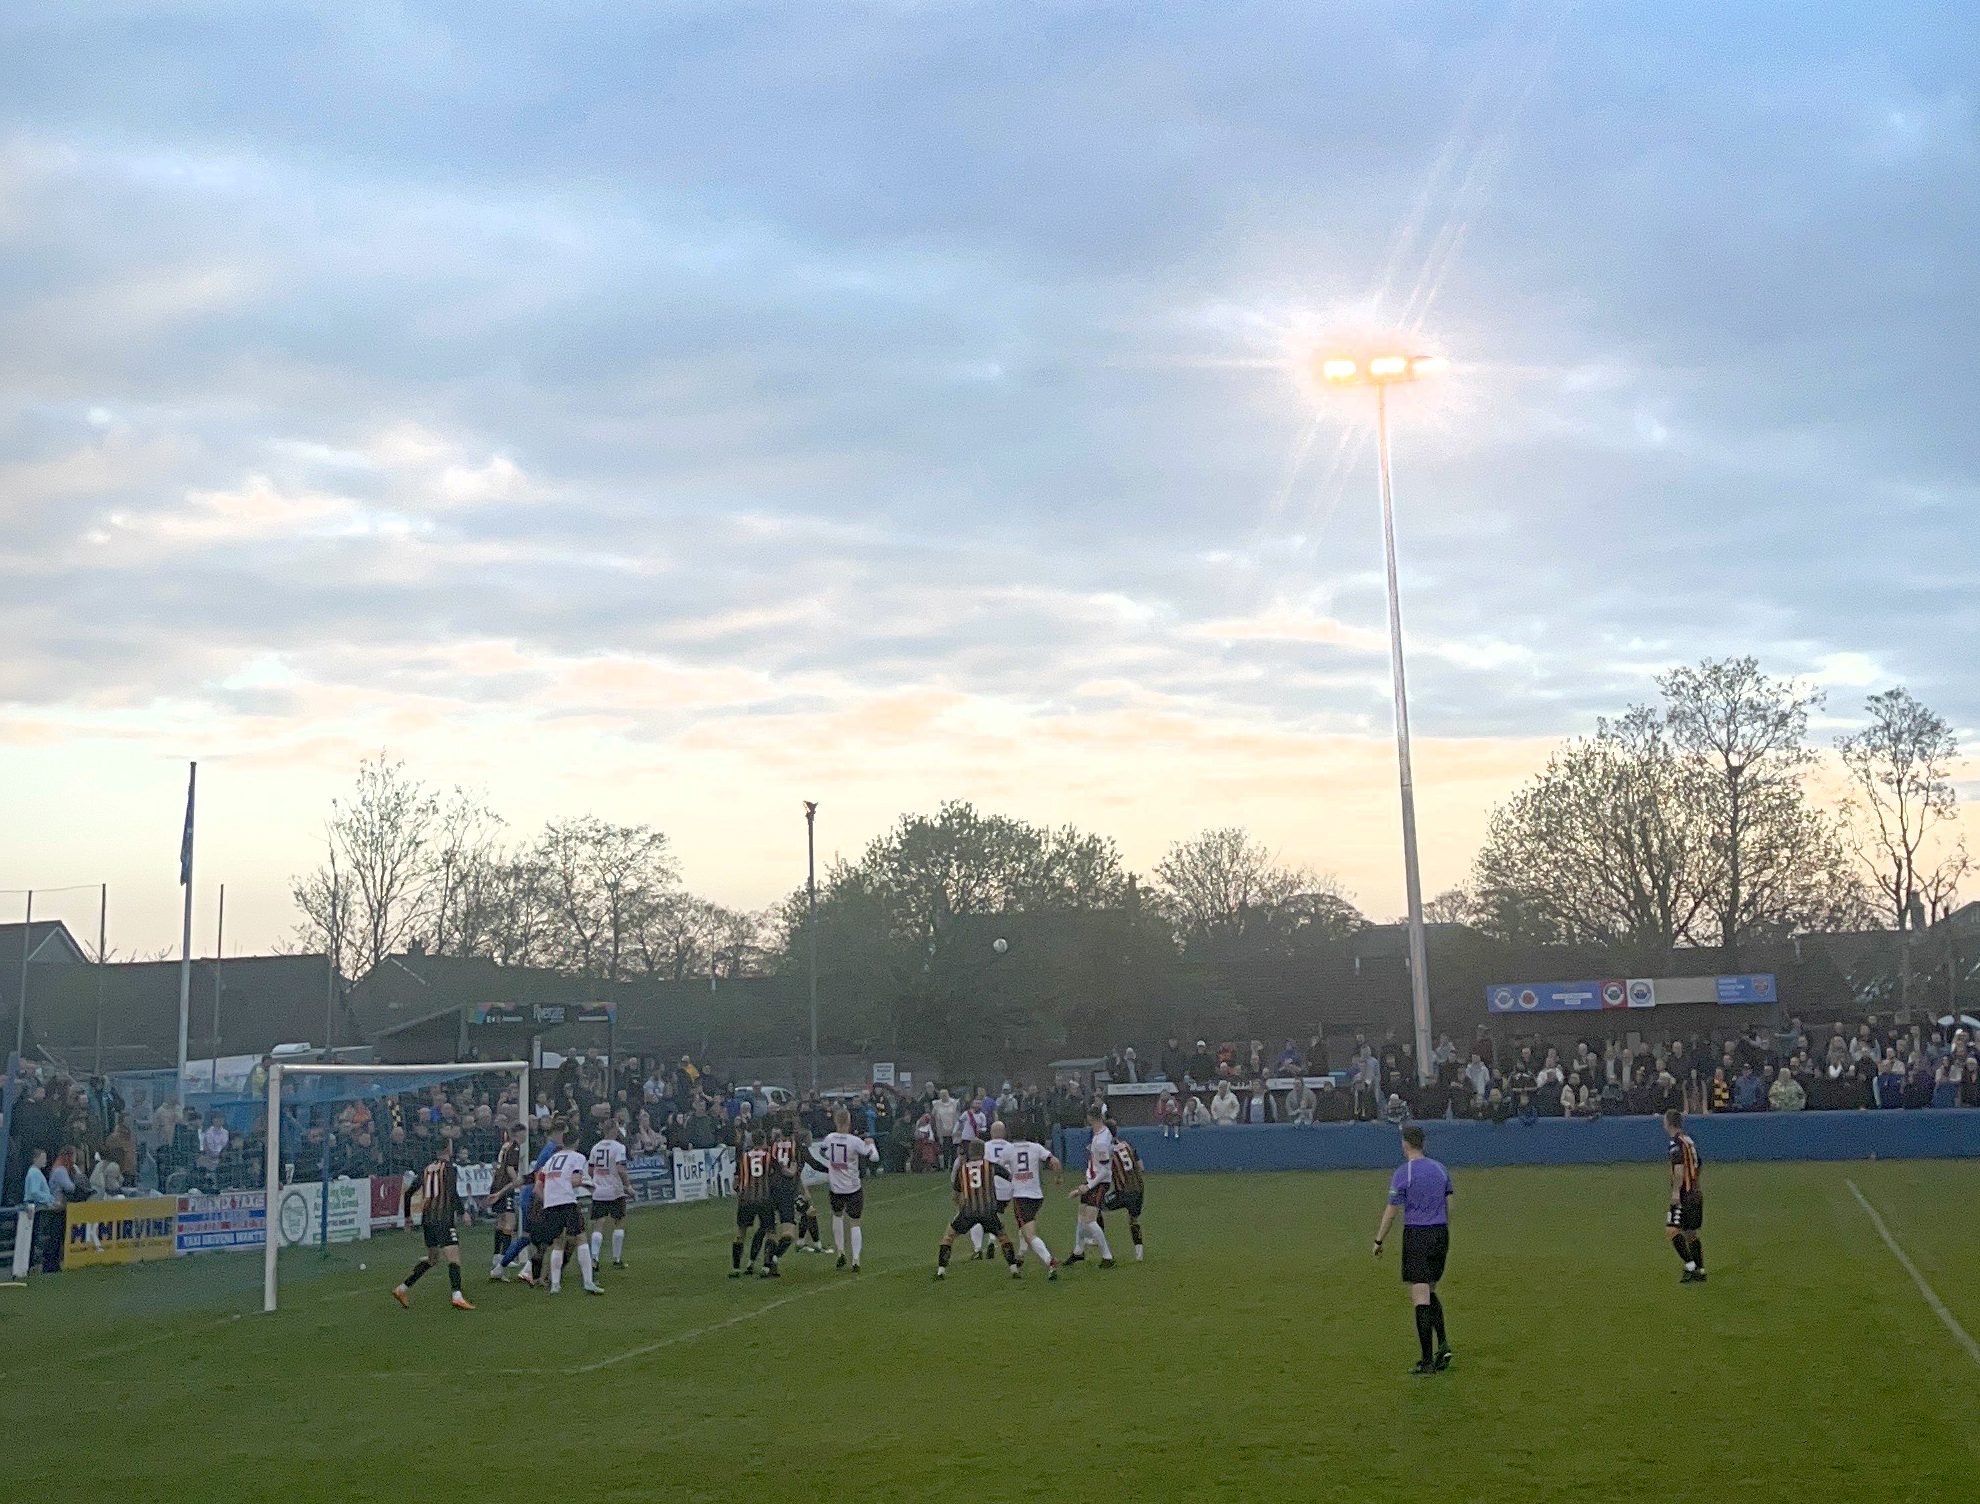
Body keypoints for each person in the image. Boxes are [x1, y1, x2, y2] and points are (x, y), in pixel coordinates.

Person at [1372, 1125, 1453, 1376]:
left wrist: (1378, 1240)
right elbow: (1450, 1203)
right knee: (1430, 1290)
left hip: (1418, 1235)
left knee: (1420, 1297)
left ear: (1405, 1144)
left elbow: (1392, 1211)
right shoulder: (1440, 1169)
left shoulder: (1403, 1173)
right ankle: (1443, 1345)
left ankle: (1427, 1362)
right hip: (1440, 1233)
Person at [392, 1139, 475, 1311]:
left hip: (427, 1219)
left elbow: (408, 1193)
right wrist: (463, 1213)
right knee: (453, 1257)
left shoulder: (426, 1169)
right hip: (443, 1218)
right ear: (448, 1149)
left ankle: (402, 1289)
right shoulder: (449, 1168)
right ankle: (457, 1296)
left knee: (432, 1259)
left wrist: (408, 1218)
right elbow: (452, 1192)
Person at [935, 1140, 1019, 1279]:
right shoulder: (990, 1166)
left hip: (968, 1212)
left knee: (948, 1237)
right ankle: (1014, 1269)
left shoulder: (962, 1169)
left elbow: (956, 1193)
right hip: (988, 1211)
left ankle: (941, 1271)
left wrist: (960, 1205)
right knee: (1003, 1237)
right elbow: (1009, 1177)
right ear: (983, 1151)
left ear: (970, 1152)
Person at [815, 1107, 880, 1271]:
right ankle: (856, 1259)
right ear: (849, 1122)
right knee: (855, 1222)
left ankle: (840, 1252)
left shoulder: (829, 1138)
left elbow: (822, 1152)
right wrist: (871, 1145)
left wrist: (831, 1161)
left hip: (836, 1188)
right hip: (852, 1187)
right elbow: (874, 1157)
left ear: (836, 1121)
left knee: (837, 1217)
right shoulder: (854, 1141)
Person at [535, 1130, 599, 1296]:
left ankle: (555, 1285)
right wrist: (587, 1185)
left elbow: (539, 1186)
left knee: (558, 1243)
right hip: (567, 1202)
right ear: (576, 1142)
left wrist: (548, 1199)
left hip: (550, 1203)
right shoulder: (577, 1157)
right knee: (581, 1238)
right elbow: (575, 1180)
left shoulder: (551, 1159)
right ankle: (588, 1282)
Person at [1000, 1127, 1062, 1277]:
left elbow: (998, 1166)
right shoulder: (1036, 1147)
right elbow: (1054, 1161)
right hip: (1037, 1195)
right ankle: (1020, 1255)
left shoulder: (1009, 1149)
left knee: (1029, 1234)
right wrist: (1058, 1177)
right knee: (1025, 1224)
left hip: (1021, 1196)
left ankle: (1049, 1260)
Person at [1064, 1107, 1116, 1268]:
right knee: (1081, 1216)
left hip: (1098, 1182)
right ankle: (1078, 1251)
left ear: (1090, 1118)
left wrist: (1087, 1186)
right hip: (1092, 1178)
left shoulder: (1100, 1140)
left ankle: (1107, 1257)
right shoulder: (1103, 1132)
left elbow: (1105, 1169)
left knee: (1089, 1219)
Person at [1664, 1109, 1706, 1284]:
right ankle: (1700, 1270)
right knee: (1690, 1233)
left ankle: (1690, 1266)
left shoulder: (1675, 1143)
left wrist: (1675, 1193)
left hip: (1684, 1195)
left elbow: (1679, 1169)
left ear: (1669, 1123)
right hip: (1696, 1193)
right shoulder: (1689, 1140)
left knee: (1672, 1230)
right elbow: (1699, 1163)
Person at [730, 1136, 778, 1278]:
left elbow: (736, 1182)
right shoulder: (769, 1157)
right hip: (764, 1199)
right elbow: (775, 1177)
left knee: (740, 1232)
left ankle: (736, 1268)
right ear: (763, 1142)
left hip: (746, 1200)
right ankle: (766, 1267)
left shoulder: (743, 1157)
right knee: (770, 1232)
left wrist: (740, 1192)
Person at [485, 1123, 528, 1279]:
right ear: (518, 1133)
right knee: (510, 1222)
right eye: (524, 1133)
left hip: (496, 1184)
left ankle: (497, 1255)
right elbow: (510, 1168)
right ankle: (505, 1256)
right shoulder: (515, 1146)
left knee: (501, 1222)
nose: (525, 1136)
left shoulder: (506, 1145)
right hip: (505, 1186)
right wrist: (518, 1182)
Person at [587, 1120, 630, 1272]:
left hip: (598, 1190)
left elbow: (591, 1170)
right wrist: (628, 1185)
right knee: (619, 1221)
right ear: (613, 1130)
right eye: (617, 1129)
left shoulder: (595, 1147)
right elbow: (620, 1168)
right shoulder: (619, 1147)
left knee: (599, 1223)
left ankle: (594, 1259)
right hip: (615, 1190)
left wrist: (598, 1179)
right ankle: (616, 1259)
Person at [1105, 1130, 1147, 1261]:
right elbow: (1141, 1166)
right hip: (1138, 1189)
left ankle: (1095, 1238)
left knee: (1096, 1206)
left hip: (1123, 1192)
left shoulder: (1108, 1150)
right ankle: (1139, 1252)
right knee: (1133, 1220)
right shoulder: (1126, 1144)